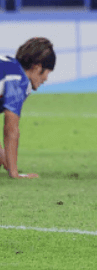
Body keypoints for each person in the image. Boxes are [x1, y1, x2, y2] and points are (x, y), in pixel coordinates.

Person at [0, 37, 56, 179]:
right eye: (47, 73)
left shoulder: (8, 67)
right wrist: (14, 173)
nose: (46, 79)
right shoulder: (18, 79)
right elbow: (11, 128)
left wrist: (5, 157)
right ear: (37, 68)